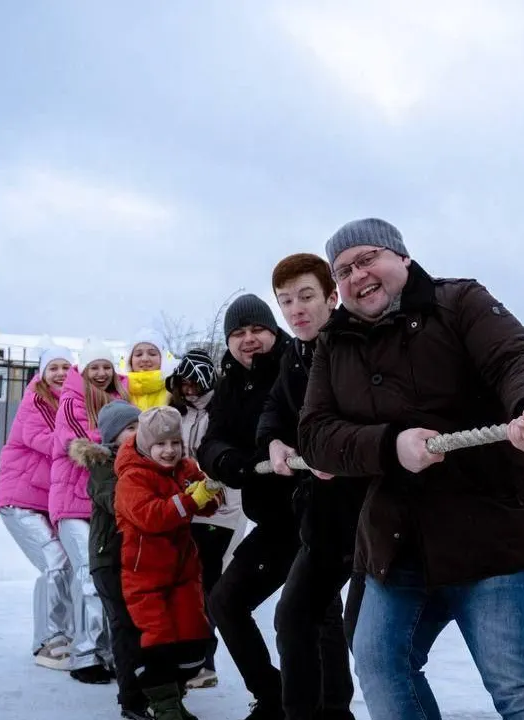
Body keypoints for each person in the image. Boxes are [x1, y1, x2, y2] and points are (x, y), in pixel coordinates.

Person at [297, 219, 524, 720]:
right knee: (381, 665)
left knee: (518, 687)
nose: (357, 275)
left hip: (491, 533)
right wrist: (389, 446)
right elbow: (315, 435)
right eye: (343, 270)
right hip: (397, 541)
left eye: (367, 259)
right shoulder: (333, 343)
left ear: (402, 258)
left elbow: (519, 357)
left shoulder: (460, 302)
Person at [258, 253, 366, 720]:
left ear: (331, 296)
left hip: (375, 515)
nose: (296, 310)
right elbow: (275, 410)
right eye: (286, 302)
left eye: (306, 297)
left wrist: (336, 451)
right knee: (295, 617)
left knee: (370, 638)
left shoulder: (356, 342)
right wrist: (275, 441)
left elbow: (376, 412)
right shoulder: (294, 355)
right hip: (323, 518)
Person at [196, 294, 298, 720]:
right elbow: (210, 441)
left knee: (310, 616)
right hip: (273, 520)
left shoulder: (299, 365)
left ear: (273, 331)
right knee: (225, 600)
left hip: (314, 513)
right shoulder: (231, 383)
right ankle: (272, 696)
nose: (249, 339)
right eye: (238, 333)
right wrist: (225, 460)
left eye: (257, 329)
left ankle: (326, 710)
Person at [115, 406, 225, 720]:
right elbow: (153, 517)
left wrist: (209, 494)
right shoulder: (132, 478)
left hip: (183, 572)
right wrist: (192, 499)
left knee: (193, 639)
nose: (169, 450)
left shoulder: (185, 468)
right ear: (145, 446)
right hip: (144, 575)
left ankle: (174, 699)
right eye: (160, 444)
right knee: (158, 641)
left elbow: (210, 501)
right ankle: (165, 708)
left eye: (174, 443)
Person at [50, 339, 130, 683]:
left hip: (105, 501)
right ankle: (85, 655)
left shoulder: (123, 400)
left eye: (106, 366)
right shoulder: (71, 401)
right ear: (83, 370)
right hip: (72, 500)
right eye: (94, 367)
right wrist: (123, 437)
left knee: (109, 577)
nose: (100, 373)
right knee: (88, 574)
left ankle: (110, 652)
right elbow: (81, 442)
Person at [167, 348, 248, 690]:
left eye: (192, 384)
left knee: (209, 586)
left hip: (222, 509)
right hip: (190, 508)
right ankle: (193, 660)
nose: (187, 391)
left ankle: (204, 662)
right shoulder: (180, 413)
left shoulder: (223, 409)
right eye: (181, 385)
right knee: (190, 585)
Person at [0, 346, 76, 670]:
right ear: (42, 373)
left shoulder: (69, 405)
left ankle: (64, 635)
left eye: (66, 367)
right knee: (55, 560)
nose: (59, 373)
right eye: (53, 367)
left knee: (67, 561)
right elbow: (46, 441)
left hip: (44, 503)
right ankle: (47, 641)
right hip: (19, 500)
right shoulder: (35, 401)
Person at [69, 400, 150, 720]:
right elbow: (119, 501)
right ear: (113, 436)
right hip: (109, 560)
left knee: (147, 626)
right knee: (125, 626)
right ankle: (131, 700)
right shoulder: (103, 465)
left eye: (139, 427)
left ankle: (155, 691)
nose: (135, 433)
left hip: (140, 559)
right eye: (129, 428)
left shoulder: (147, 461)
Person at [126, 330, 171, 411]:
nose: (145, 359)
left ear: (162, 358)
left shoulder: (173, 389)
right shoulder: (119, 391)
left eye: (152, 354)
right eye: (138, 354)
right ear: (130, 360)